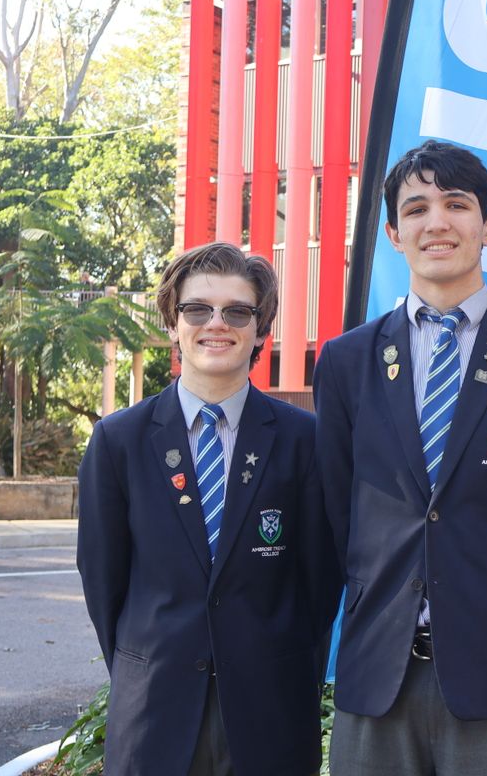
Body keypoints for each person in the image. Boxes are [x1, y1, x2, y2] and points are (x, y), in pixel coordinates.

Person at [313, 140, 487, 776]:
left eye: (456, 204)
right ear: (394, 233)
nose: (436, 222)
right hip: (377, 675)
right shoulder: (346, 362)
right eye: (416, 209)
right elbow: (337, 515)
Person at [77, 243, 339, 776]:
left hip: (272, 714)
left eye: (237, 312)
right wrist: (146, 664)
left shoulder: (305, 440)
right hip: (153, 714)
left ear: (260, 330)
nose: (216, 324)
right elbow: (104, 584)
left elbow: (320, 585)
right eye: (197, 309)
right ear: (173, 324)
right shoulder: (118, 442)